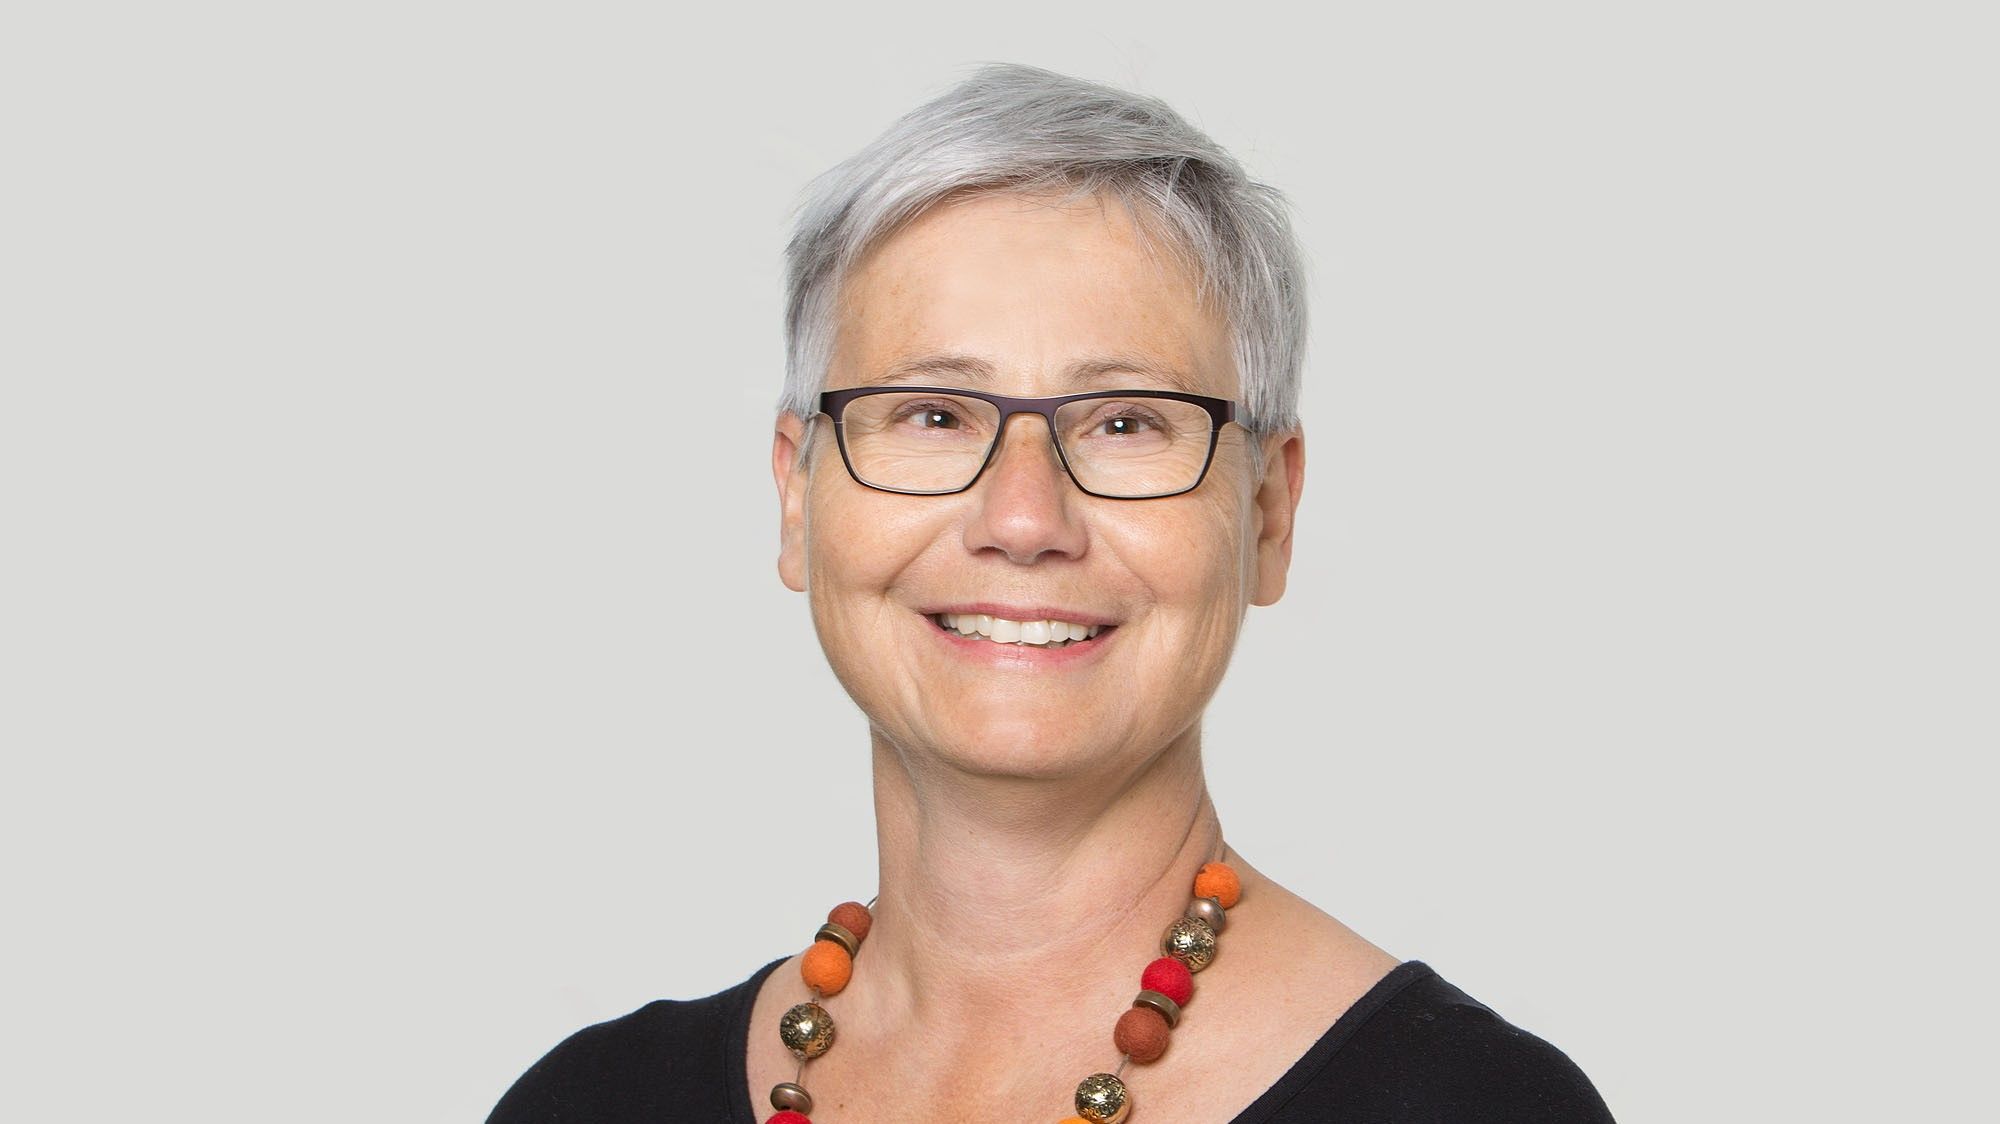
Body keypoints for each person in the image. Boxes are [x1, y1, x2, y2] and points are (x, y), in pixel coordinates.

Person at [487, 63, 1614, 1124]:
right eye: (933, 414)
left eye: (1125, 421)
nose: (1023, 519)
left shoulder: (1475, 1104)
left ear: (1268, 513)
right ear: (797, 496)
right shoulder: (587, 1102)